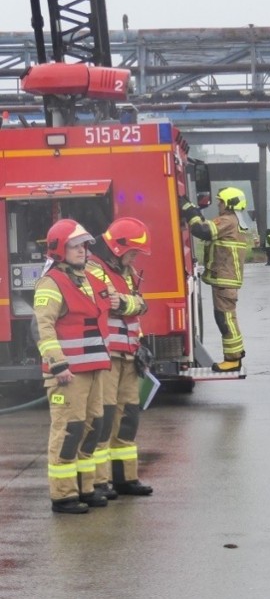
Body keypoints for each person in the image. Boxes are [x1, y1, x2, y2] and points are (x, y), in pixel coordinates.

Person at [33, 219, 114, 514]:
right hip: (68, 374)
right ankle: (63, 495)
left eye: (84, 245)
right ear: (59, 249)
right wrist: (58, 365)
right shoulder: (51, 283)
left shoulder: (89, 280)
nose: (83, 250)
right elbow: (45, 328)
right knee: (68, 430)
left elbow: (107, 310)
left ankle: (86, 487)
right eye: (75, 245)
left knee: (93, 427)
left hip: (94, 368)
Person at [86, 217, 154, 498]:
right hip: (108, 356)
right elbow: (107, 303)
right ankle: (100, 482)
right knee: (104, 416)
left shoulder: (124, 271)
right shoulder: (95, 269)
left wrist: (128, 305)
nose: (135, 258)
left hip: (128, 355)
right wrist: (130, 304)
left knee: (128, 416)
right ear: (117, 248)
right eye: (133, 252)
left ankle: (125, 478)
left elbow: (140, 304)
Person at [180, 187, 249, 372]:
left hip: (225, 281)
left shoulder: (228, 220)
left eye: (221, 201)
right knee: (226, 318)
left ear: (230, 204)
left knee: (225, 319)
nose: (218, 204)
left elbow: (203, 230)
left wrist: (190, 211)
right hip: (226, 280)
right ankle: (236, 354)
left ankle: (233, 359)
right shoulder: (235, 221)